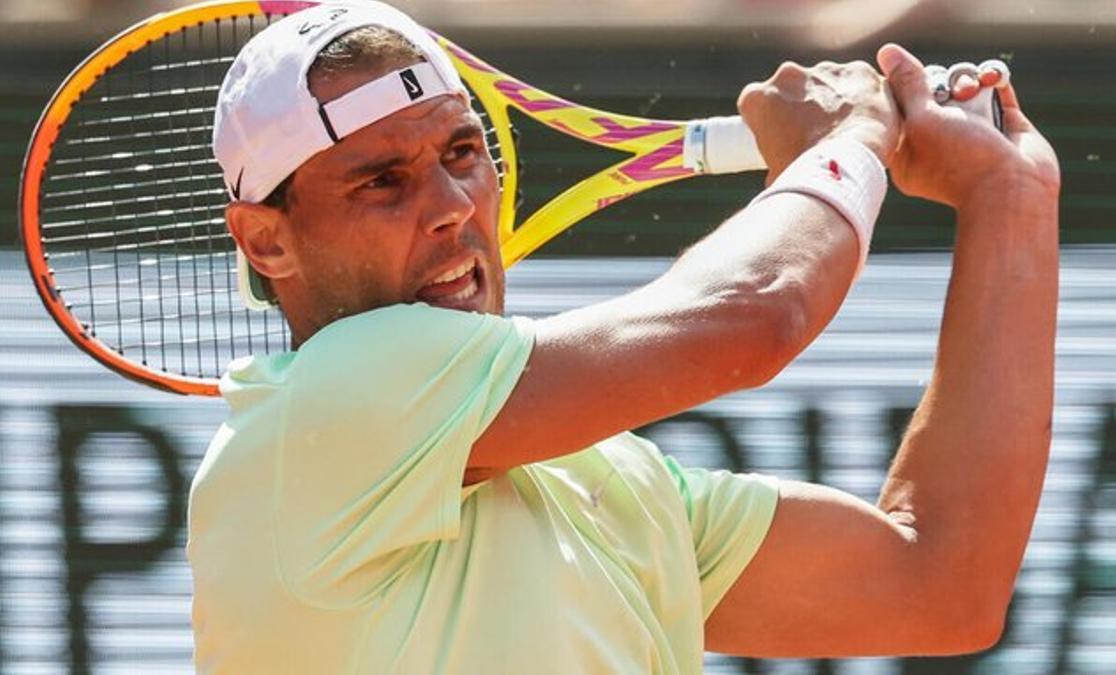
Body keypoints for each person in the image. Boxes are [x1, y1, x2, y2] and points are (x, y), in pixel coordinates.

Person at [188, 1, 1061, 673]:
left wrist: (1010, 200)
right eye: (384, 181)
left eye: (462, 153)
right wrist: (848, 140)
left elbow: (941, 583)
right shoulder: (317, 407)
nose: (454, 209)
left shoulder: (613, 481)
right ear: (267, 239)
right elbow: (757, 312)